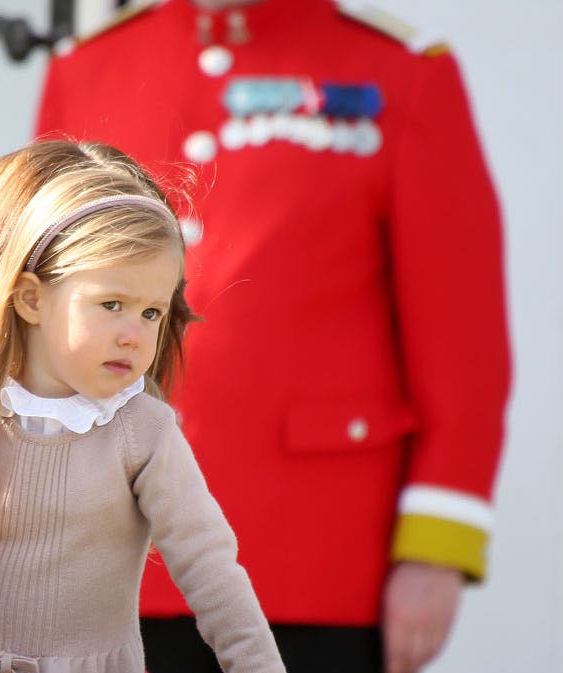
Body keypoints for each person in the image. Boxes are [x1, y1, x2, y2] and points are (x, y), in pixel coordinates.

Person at [33, 2, 511, 673]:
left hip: (309, 565)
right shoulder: (86, 67)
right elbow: (41, 311)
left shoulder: (401, 74)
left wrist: (435, 548)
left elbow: (465, 349)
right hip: (105, 552)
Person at [0, 140, 286, 672]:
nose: (134, 334)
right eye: (111, 305)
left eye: (151, 313)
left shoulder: (145, 431)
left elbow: (210, 566)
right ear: (31, 299)